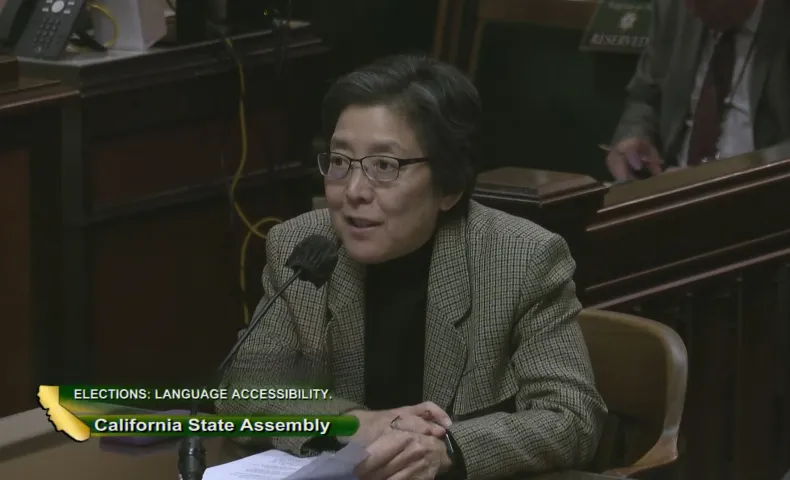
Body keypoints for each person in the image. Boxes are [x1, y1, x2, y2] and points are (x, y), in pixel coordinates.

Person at [217, 53, 606, 480]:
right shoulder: (302, 247)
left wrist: (447, 450)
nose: (355, 191)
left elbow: (570, 416)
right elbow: (244, 391)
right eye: (340, 162)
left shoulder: (521, 258)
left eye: (385, 166)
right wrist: (355, 424)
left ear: (450, 184)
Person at [606, 0, 790, 181]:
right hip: (669, 185)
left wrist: (720, 177)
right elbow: (645, 96)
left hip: (764, 192)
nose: (692, 11)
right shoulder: (674, 7)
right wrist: (634, 137)